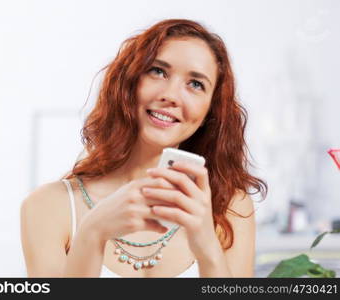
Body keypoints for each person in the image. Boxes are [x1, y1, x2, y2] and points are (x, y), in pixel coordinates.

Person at [20, 18, 267, 278]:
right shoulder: (47, 207)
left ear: (210, 111)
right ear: (129, 82)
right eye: (158, 71)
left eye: (196, 84)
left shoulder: (231, 208)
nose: (170, 95)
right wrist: (92, 234)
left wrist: (207, 246)